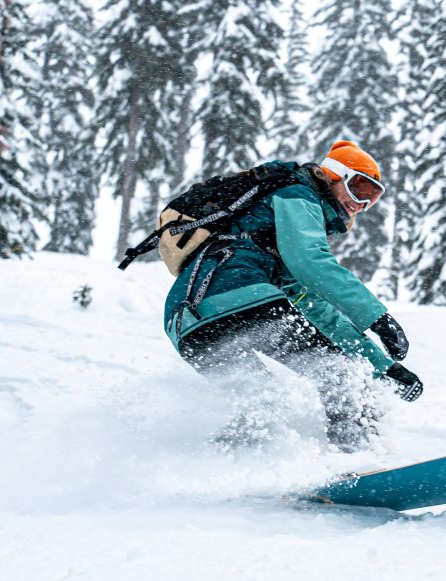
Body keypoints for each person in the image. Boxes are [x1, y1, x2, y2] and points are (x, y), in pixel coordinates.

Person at [162, 140, 423, 451]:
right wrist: (377, 318)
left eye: (373, 198)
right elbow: (311, 262)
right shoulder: (297, 194)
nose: (362, 203)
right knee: (339, 378)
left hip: (188, 323)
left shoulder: (274, 254)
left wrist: (383, 367)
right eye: (360, 188)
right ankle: (357, 460)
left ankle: (225, 465)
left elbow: (319, 311)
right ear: (334, 175)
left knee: (262, 401)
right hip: (238, 297)